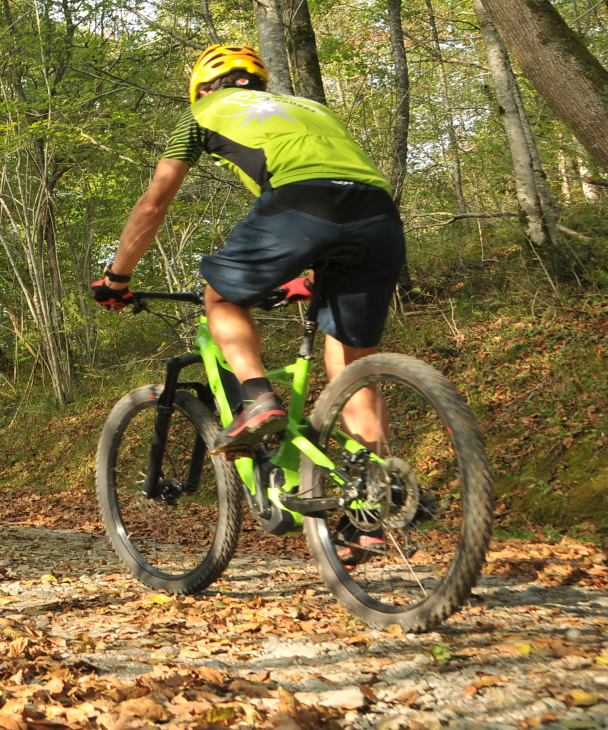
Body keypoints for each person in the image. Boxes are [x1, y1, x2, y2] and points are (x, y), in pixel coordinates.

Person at [90, 44, 406, 561]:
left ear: (202, 88)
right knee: (352, 364)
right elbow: (337, 186)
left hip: (302, 206)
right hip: (378, 216)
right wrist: (308, 273)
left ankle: (258, 402)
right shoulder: (312, 108)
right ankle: (368, 512)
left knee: (221, 293)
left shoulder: (199, 115)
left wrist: (117, 276)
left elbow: (154, 202)